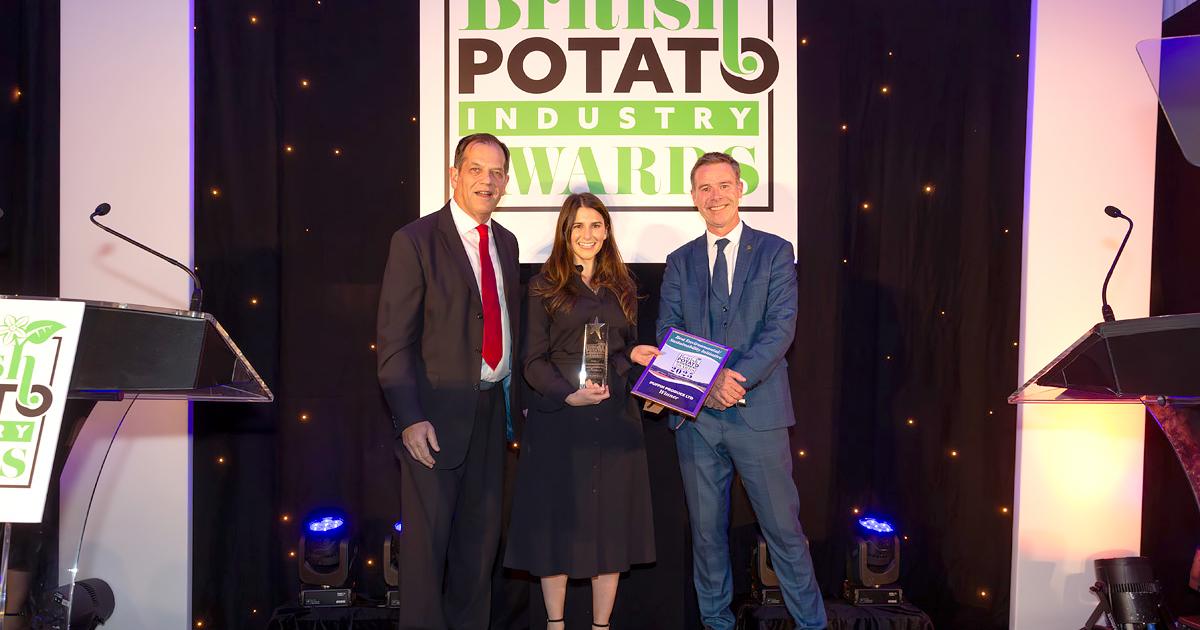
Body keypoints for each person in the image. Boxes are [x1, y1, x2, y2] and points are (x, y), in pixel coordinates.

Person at [657, 152, 827, 630]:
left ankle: (812, 625)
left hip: (760, 415)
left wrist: (734, 381)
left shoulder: (775, 251)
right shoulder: (680, 261)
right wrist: (708, 383)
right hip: (696, 420)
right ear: (694, 197)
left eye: (723, 185)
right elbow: (668, 330)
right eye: (705, 188)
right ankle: (716, 623)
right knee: (707, 537)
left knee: (784, 533)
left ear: (740, 189)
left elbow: (781, 328)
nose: (715, 196)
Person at [376, 133, 522, 629]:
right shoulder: (414, 240)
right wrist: (410, 418)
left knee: (478, 554)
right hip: (433, 422)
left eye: (497, 172)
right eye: (476, 170)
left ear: (506, 181)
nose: (487, 181)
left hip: (491, 416)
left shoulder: (506, 242)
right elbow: (394, 342)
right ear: (455, 175)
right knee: (425, 559)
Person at [504, 192, 659, 630]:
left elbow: (623, 351)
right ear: (565, 232)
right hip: (559, 420)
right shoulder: (542, 286)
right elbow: (532, 361)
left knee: (610, 528)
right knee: (555, 526)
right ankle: (555, 624)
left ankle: (600, 626)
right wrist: (566, 395)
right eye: (578, 226)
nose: (587, 235)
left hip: (614, 419)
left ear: (606, 230)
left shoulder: (622, 285)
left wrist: (635, 356)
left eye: (595, 225)